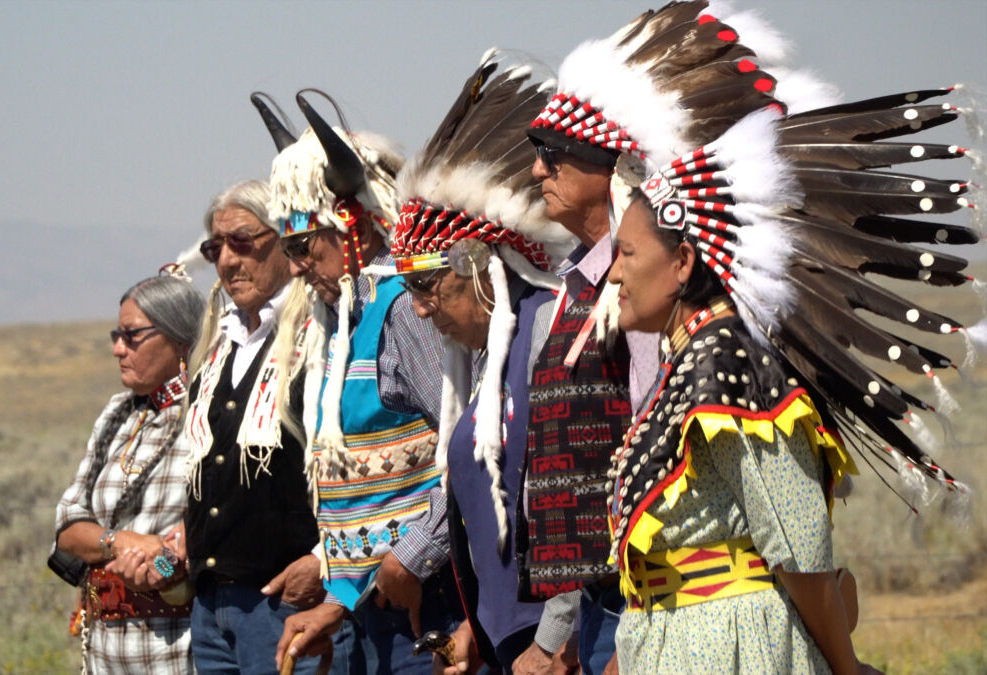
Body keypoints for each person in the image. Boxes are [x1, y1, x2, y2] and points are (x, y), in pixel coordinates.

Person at [607, 78, 978, 670]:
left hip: (736, 651)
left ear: (681, 262)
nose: (612, 276)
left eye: (625, 254)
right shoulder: (691, 362)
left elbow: (800, 550)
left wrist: (846, 666)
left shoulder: (734, 363)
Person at [522, 3, 793, 671]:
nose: (537, 172)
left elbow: (664, 441)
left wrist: (636, 628)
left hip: (662, 598)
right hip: (606, 598)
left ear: (603, 165)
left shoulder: (647, 292)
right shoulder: (579, 286)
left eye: (554, 157)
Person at [388, 51, 585, 674]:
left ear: (476, 265)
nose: (417, 312)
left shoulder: (550, 330)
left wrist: (556, 640)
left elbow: (583, 497)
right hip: (509, 645)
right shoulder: (481, 357)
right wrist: (478, 627)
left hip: (557, 650)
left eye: (426, 288)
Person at [256, 93, 464, 673]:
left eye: (304, 246)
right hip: (375, 608)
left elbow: (467, 448)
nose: (296, 266)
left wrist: (413, 555)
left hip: (429, 604)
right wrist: (339, 592)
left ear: (353, 226)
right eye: (288, 248)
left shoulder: (401, 310)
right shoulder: (341, 324)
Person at [175, 180, 327, 674]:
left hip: (286, 604)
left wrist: (325, 561)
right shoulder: (218, 345)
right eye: (215, 248)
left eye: (243, 241)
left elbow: (347, 462)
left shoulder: (321, 334)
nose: (226, 261)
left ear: (284, 239)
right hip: (213, 608)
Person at [51, 273, 205, 673]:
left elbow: (200, 541)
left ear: (179, 340)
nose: (119, 349)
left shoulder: (208, 415)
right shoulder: (117, 414)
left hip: (177, 649)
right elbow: (68, 523)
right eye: (116, 336)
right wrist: (122, 542)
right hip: (105, 652)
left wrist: (165, 571)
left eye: (133, 336)